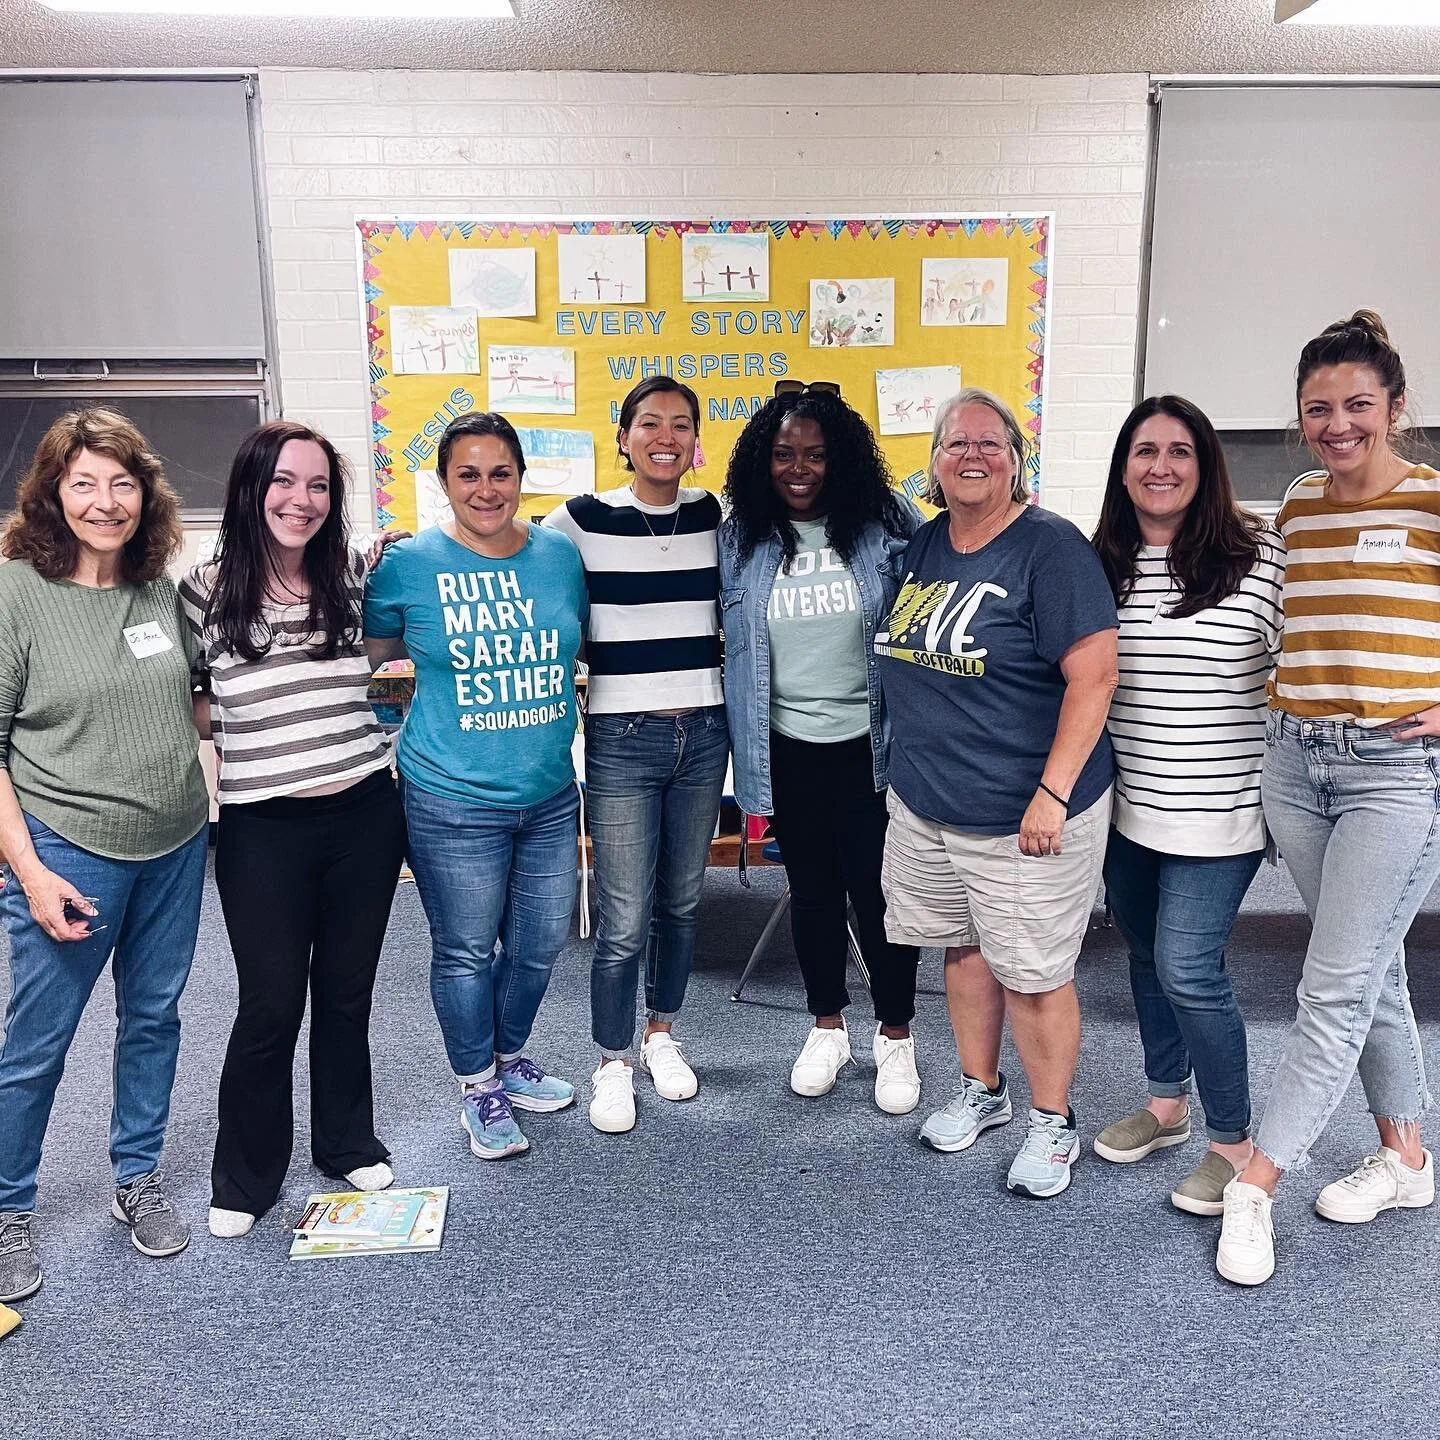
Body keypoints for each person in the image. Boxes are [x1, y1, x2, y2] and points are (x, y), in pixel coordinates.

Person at [1217, 311, 1440, 1285]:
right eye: (1319, 409)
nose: (1337, 424)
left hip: (1394, 772)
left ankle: (1254, 1183)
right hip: (1295, 763)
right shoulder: (1300, 505)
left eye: (1358, 405)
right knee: (1371, 973)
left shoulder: (1435, 503)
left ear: (1396, 407)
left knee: (1334, 986)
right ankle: (1406, 1159)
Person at [875, 387, 1118, 1199]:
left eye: (990, 444)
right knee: (964, 950)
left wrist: (1052, 794)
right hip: (928, 806)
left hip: (1025, 815)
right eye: (955, 445)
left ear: (1017, 460)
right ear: (934, 465)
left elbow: (1094, 678)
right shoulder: (923, 547)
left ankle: (1055, 1120)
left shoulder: (1050, 549)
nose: (971, 456)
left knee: (1036, 974)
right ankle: (983, 1090)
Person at [0, 409, 209, 1303]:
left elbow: (195, 700)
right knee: (37, 1043)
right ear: (52, 492)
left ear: (145, 494)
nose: (105, 501)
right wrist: (30, 872)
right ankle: (9, 1209)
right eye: (84, 482)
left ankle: (137, 1178)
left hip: (175, 842)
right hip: (65, 847)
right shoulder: (16, 590)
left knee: (153, 1021)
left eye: (122, 483)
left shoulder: (160, 590)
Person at [179, 420, 407, 1239]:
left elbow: (401, 610)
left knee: (346, 994)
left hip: (364, 816)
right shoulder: (200, 592)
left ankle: (344, 1142)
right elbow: (184, 698)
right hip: (259, 827)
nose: (300, 500)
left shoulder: (354, 575)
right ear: (250, 488)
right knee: (270, 1003)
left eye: (317, 486)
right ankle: (245, 1175)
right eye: (283, 481)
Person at [364, 413, 586, 1160]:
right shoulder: (408, 564)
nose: (486, 489)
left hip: (552, 791)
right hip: (450, 797)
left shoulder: (558, 556)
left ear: (521, 478)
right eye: (468, 474)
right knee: (462, 949)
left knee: (539, 943)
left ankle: (509, 1056)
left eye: (500, 473)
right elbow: (372, 651)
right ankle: (476, 1083)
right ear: (443, 483)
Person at [1089, 397, 1283, 1216]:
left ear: (1205, 466)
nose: (1160, 466)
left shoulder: (1260, 555)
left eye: (1178, 451)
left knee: (1189, 969)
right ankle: (1168, 1103)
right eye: (1144, 451)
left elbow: (1326, 647)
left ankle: (1233, 1143)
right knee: (1141, 951)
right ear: (1123, 466)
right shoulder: (1101, 563)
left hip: (1223, 810)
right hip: (1128, 809)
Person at [718, 383, 925, 1110]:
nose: (799, 467)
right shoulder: (740, 537)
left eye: (816, 454)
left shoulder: (884, 522)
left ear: (842, 462)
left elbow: (945, 571)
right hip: (787, 747)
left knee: (880, 898)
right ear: (761, 461)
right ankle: (827, 1025)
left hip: (873, 746)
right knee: (811, 894)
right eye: (783, 454)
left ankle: (895, 1036)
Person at [544, 377, 728, 1135]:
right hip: (621, 736)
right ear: (622, 437)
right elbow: (518, 571)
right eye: (649, 423)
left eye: (680, 425)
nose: (665, 436)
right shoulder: (580, 520)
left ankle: (662, 1034)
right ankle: (611, 1060)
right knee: (622, 917)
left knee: (681, 905)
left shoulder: (719, 516)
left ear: (693, 441)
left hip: (704, 734)